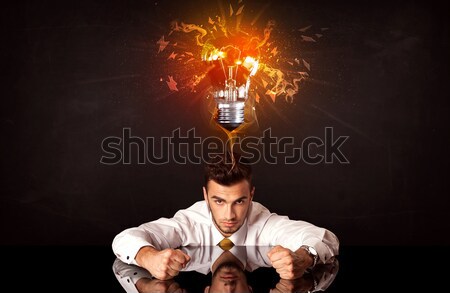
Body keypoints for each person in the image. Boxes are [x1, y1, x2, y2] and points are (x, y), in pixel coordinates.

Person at [112, 152, 339, 281]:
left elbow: (324, 238)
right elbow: (125, 238)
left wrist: (304, 256)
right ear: (205, 195)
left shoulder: (263, 221)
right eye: (218, 201)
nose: (229, 215)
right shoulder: (190, 221)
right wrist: (148, 257)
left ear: (251, 195)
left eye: (239, 201)